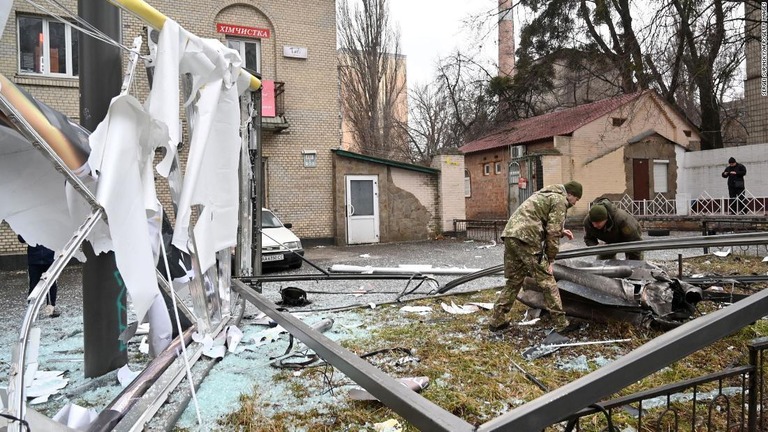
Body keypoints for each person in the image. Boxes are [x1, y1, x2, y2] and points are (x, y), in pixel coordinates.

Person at [489, 181, 582, 334]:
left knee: (514, 280)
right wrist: (551, 259)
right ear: (570, 194)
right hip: (527, 238)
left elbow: (538, 218)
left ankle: (497, 321)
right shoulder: (560, 200)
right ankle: (561, 324)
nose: (575, 203)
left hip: (511, 235)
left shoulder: (544, 194)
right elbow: (552, 233)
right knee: (547, 280)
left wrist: (561, 230)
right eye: (576, 199)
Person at [18, 235, 60, 317]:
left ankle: (50, 308)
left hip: (49, 259)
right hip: (35, 260)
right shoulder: (30, 224)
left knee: (51, 284)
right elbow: (21, 239)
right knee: (34, 285)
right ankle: (32, 309)